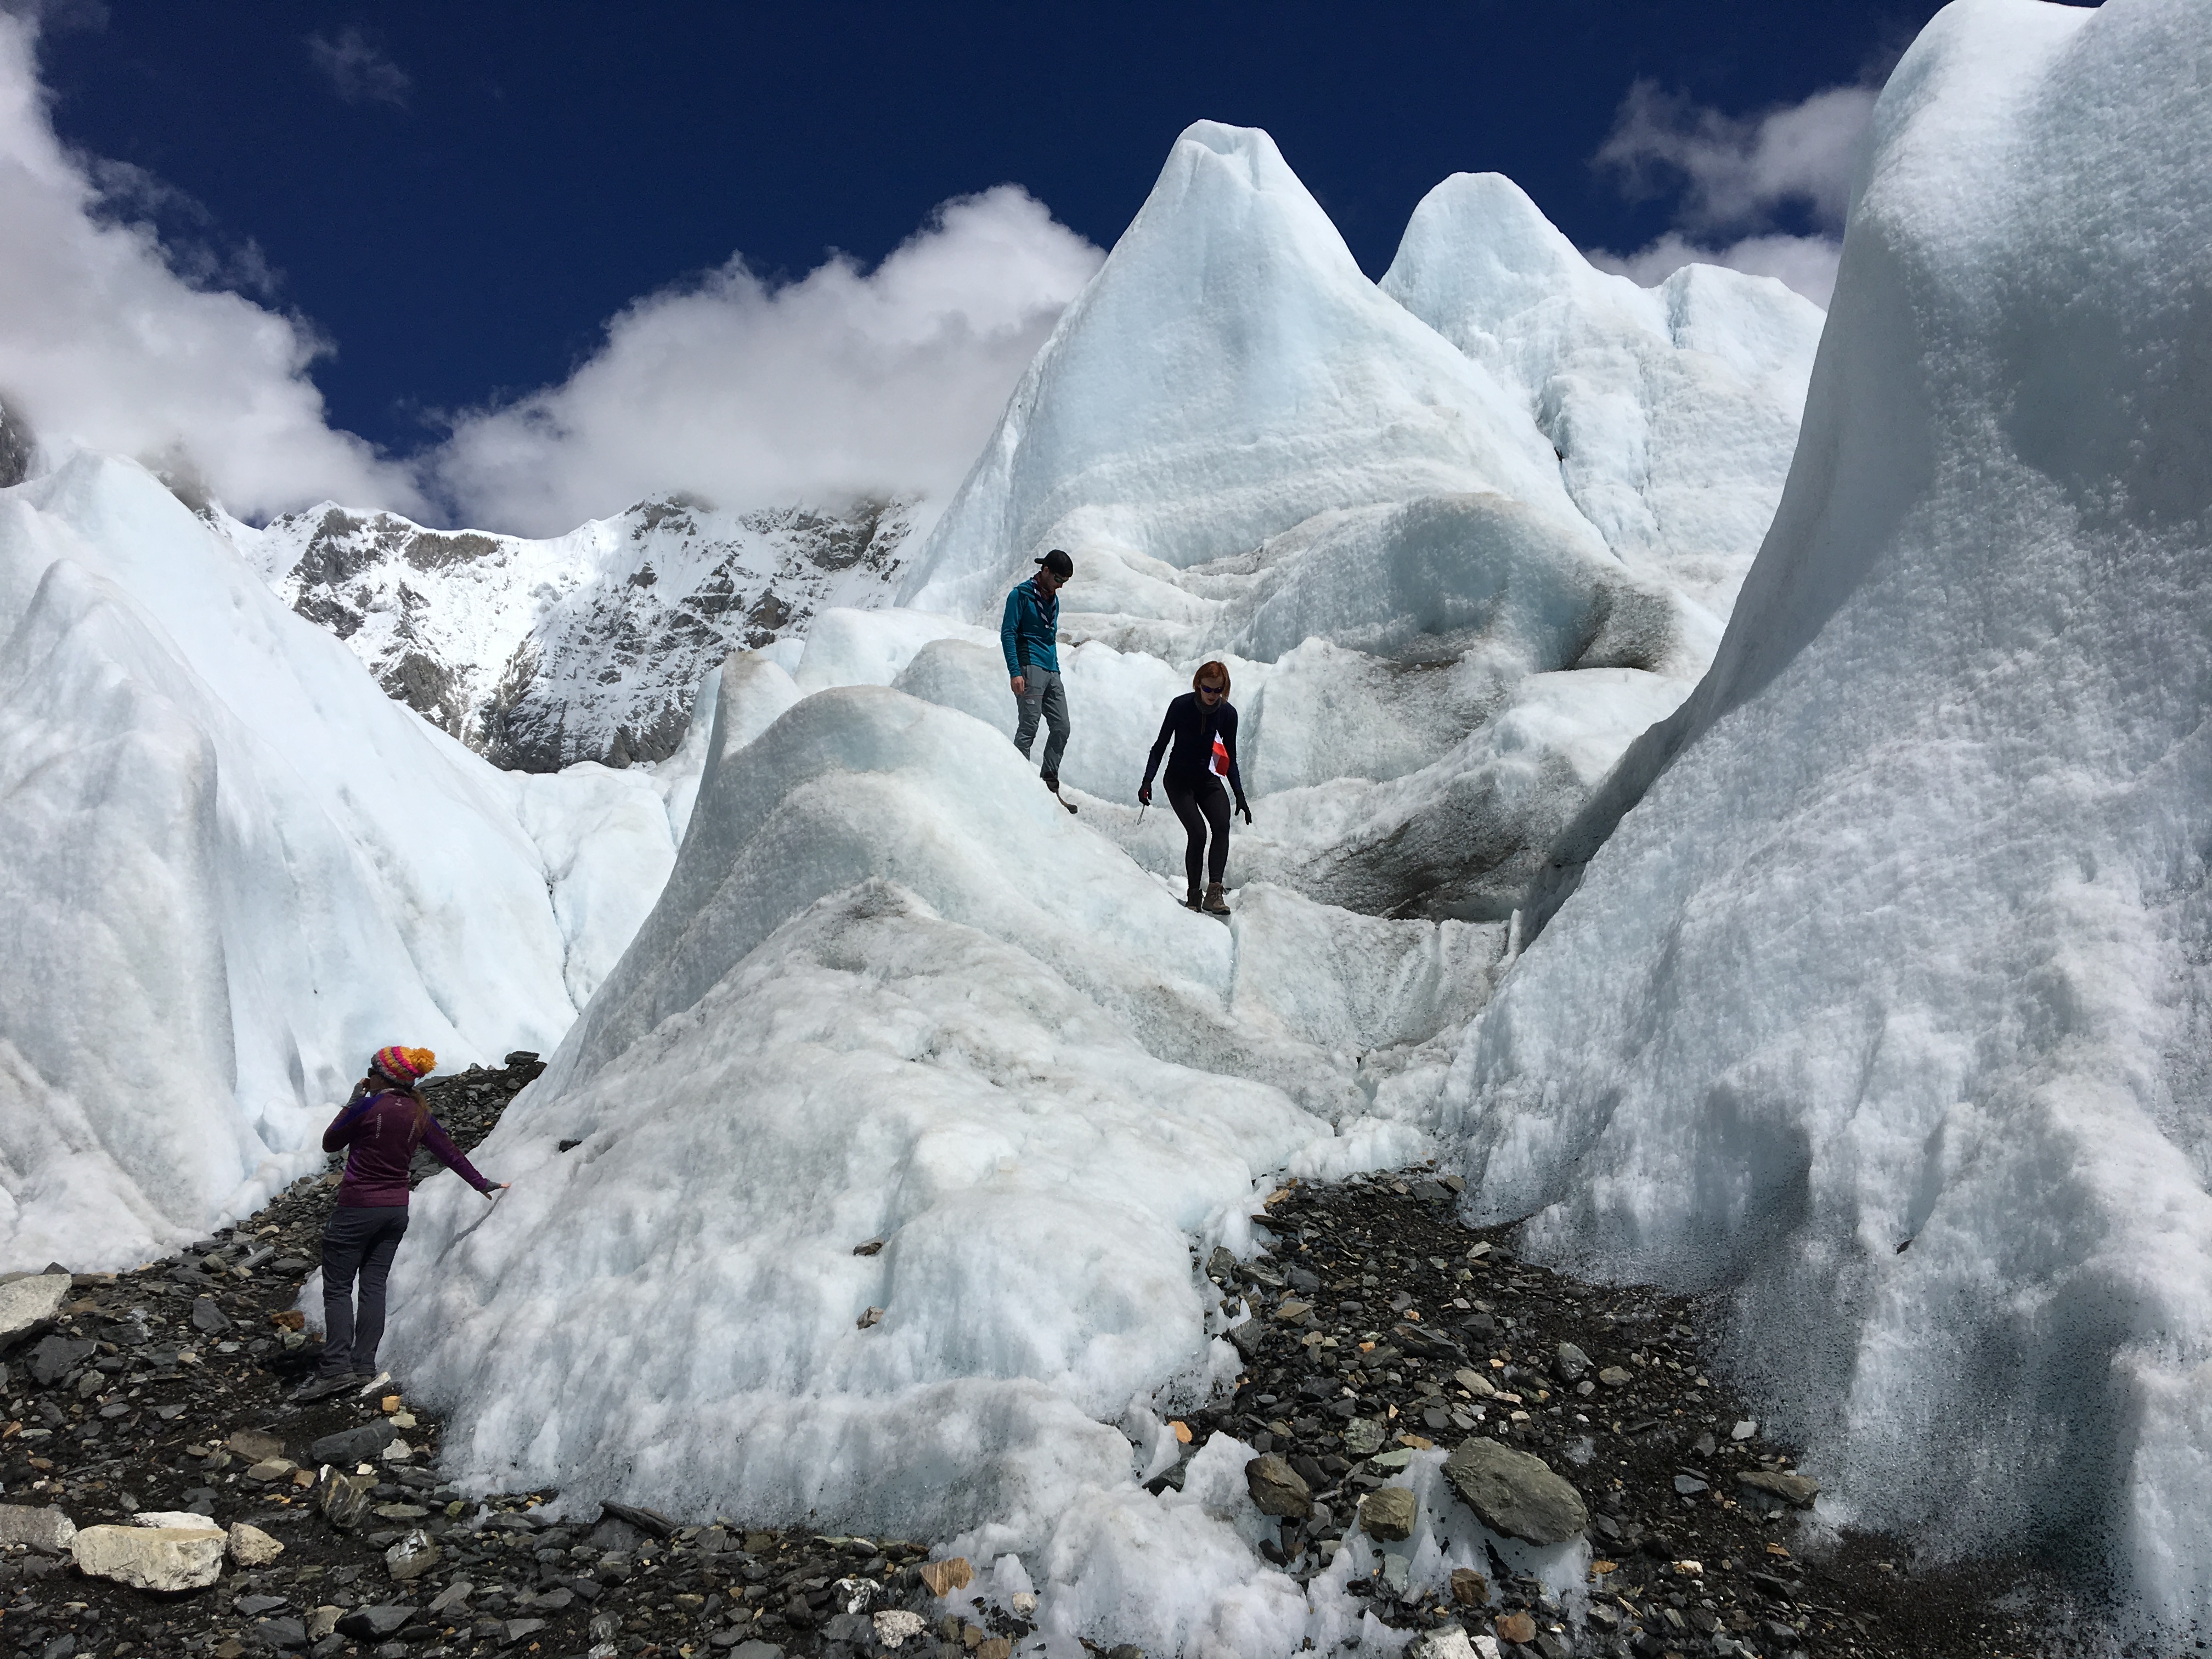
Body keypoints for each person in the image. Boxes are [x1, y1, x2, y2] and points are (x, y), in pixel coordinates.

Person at [292, 1046, 507, 1402]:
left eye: (371, 1071)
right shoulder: (418, 1113)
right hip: (395, 1211)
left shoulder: (366, 1106)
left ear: (382, 1076)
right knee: (374, 1287)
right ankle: (363, 1366)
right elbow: (449, 1153)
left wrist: (352, 1102)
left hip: (357, 1208)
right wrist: (480, 1183)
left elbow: (330, 1143)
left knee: (338, 1287)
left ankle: (335, 1369)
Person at [1139, 661, 1251, 913]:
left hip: (1207, 780)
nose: (1212, 696)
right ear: (1197, 685)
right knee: (1198, 833)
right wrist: (1148, 780)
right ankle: (1193, 895)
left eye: (1218, 691)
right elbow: (1160, 747)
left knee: (1222, 826)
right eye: (1208, 689)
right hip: (1178, 779)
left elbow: (1229, 756)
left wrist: (1240, 795)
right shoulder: (1181, 706)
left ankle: (1214, 893)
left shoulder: (1227, 713)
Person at [1003, 549, 1075, 809]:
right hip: (1029, 666)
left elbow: (1050, 635)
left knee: (1062, 726)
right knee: (1028, 727)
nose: (1060, 586)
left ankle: (1048, 781)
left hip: (1050, 669)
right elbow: (1008, 634)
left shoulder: (1053, 599)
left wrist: (1055, 669)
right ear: (1045, 571)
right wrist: (1015, 672)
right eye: (1058, 580)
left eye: (1064, 582)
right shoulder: (1020, 596)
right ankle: (1018, 785)